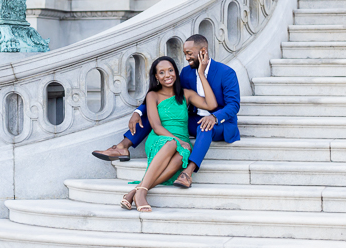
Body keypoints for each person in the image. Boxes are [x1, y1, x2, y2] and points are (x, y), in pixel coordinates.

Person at [93, 34, 240, 189]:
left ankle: (188, 172)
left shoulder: (226, 72)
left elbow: (233, 105)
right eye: (185, 54)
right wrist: (138, 112)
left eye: (189, 53)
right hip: (194, 119)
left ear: (203, 51)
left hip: (220, 124)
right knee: (157, 114)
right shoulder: (187, 72)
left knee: (205, 126)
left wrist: (215, 117)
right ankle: (123, 146)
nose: (186, 58)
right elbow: (167, 96)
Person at [119, 54, 216, 212]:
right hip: (160, 138)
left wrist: (201, 73)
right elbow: (156, 126)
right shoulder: (153, 95)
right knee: (173, 144)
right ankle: (142, 193)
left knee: (181, 157)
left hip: (181, 141)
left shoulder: (186, 94)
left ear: (176, 73)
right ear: (156, 76)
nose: (167, 75)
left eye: (170, 70)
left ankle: (135, 191)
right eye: (162, 72)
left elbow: (211, 105)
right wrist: (178, 141)